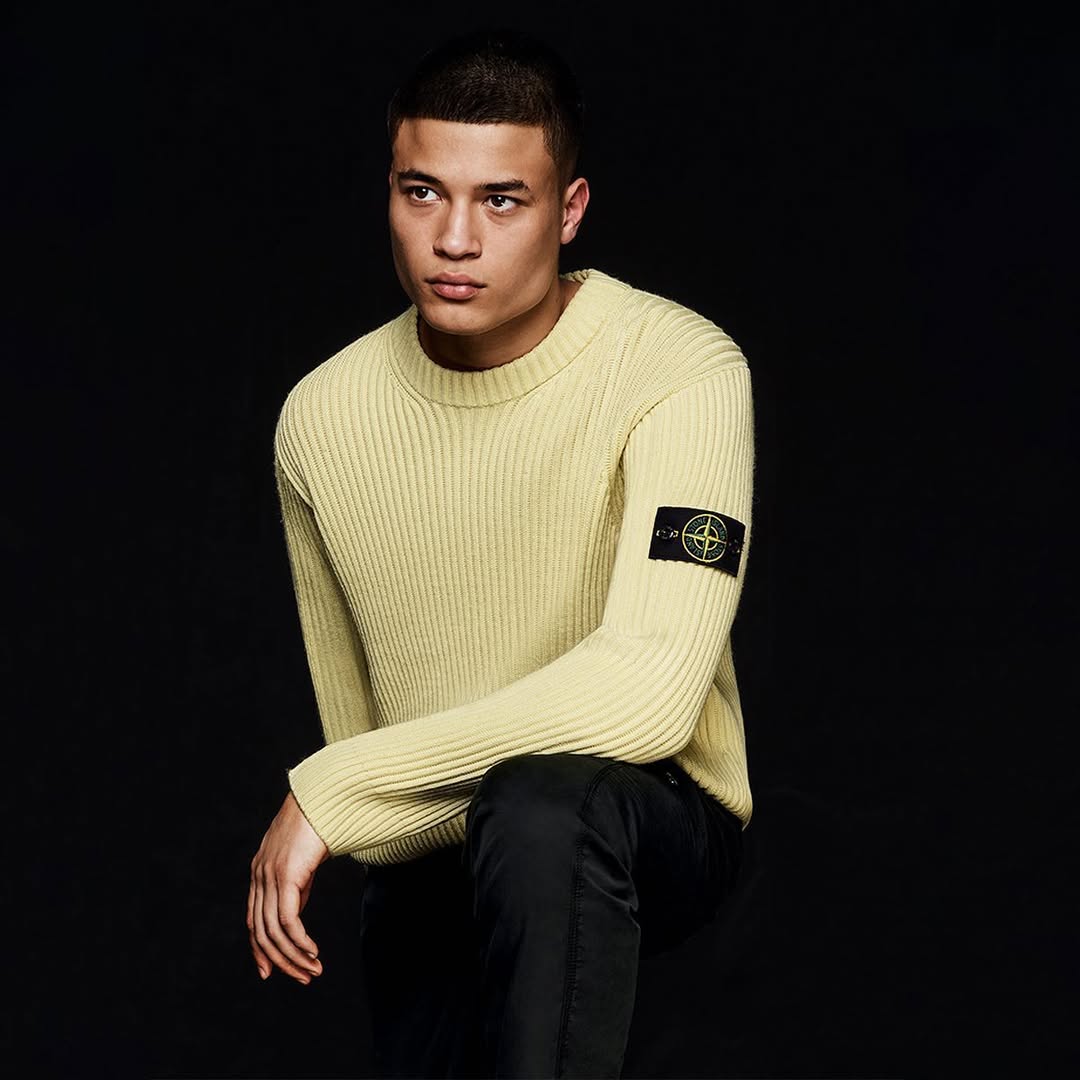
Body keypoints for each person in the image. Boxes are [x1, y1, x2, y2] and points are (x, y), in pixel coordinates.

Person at [247, 28, 755, 1079]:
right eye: (423, 193)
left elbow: (651, 696)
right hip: (438, 835)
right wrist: (352, 791)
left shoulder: (679, 366)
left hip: (645, 810)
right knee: (434, 898)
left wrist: (332, 788)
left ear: (569, 210)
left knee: (538, 806)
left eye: (503, 201)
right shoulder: (322, 420)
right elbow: (368, 746)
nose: (455, 240)